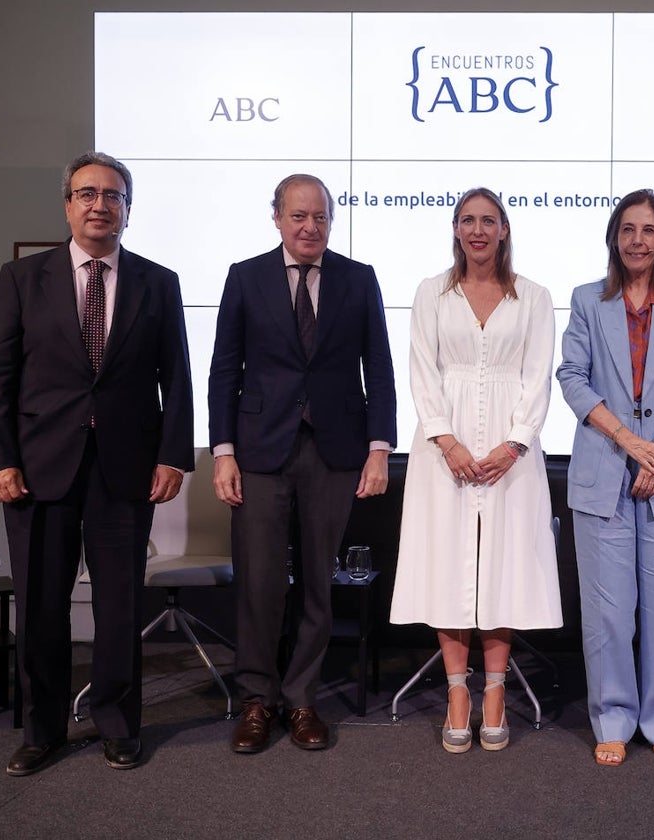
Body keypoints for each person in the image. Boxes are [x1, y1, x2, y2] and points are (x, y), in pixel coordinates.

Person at [0, 151, 195, 775]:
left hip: (124, 469)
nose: (101, 205)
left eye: (114, 195)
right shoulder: (23, 278)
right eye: (88, 194)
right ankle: (42, 729)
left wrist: (174, 455)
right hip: (38, 469)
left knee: (121, 606)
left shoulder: (159, 281)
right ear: (68, 205)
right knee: (40, 606)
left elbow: (175, 377)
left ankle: (119, 723)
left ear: (129, 209)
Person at [208, 173, 396, 754]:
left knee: (319, 581)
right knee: (260, 583)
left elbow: (380, 368)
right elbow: (224, 371)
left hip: (335, 451)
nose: (310, 227)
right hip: (260, 450)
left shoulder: (358, 279)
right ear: (277, 218)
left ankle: (303, 699)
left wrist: (379, 447)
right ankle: (257, 701)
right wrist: (223, 454)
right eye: (298, 216)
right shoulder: (245, 278)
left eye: (319, 216)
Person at [390, 187, 561, 754]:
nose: (478, 230)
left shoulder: (533, 296)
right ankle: (456, 693)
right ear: (456, 229)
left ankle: (495, 690)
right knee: (449, 563)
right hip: (445, 449)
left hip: (511, 454)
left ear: (505, 229)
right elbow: (421, 370)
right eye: (468, 220)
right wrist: (446, 439)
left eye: (489, 220)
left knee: (502, 566)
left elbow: (539, 377)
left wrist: (514, 445)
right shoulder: (430, 293)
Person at [557, 188, 654, 766]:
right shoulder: (587, 301)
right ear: (614, 239)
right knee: (609, 612)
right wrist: (629, 444)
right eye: (627, 230)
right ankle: (614, 715)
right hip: (604, 471)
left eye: (648, 230)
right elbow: (571, 376)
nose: (637, 240)